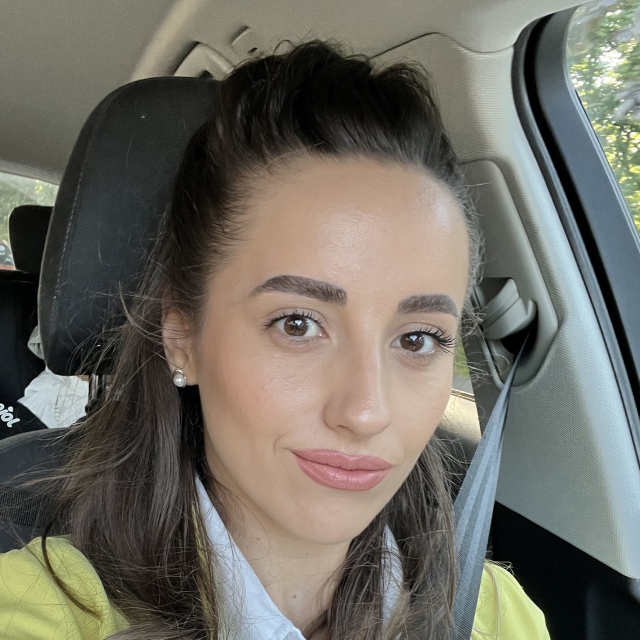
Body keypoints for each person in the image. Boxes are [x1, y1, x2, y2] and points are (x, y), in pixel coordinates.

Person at [0, 41, 549, 639]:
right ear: (182, 337)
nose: (366, 412)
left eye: (417, 339)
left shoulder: (494, 614)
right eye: (298, 324)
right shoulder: (39, 612)